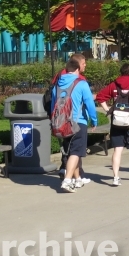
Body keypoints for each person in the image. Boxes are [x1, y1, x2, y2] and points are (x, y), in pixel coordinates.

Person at [50, 57, 98, 193]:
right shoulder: (81, 83)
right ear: (77, 69)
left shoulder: (57, 85)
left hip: (62, 123)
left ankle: (78, 179)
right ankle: (67, 180)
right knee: (76, 152)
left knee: (71, 152)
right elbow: (90, 104)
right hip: (78, 122)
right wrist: (94, 120)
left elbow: (53, 105)